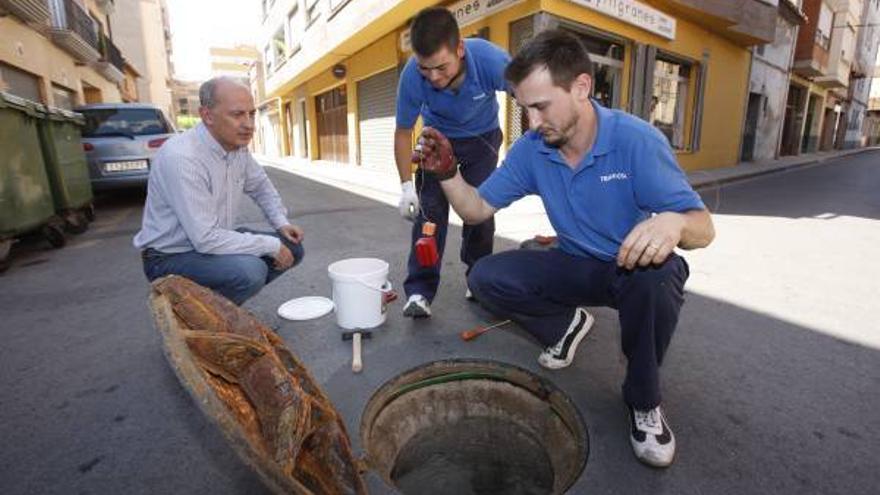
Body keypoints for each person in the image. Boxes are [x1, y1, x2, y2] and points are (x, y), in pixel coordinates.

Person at [413, 30, 715, 467]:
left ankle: (643, 400)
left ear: (580, 88)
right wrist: (448, 173)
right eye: (524, 109)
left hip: (628, 269)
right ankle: (565, 325)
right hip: (573, 263)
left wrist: (675, 221)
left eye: (540, 106)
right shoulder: (533, 149)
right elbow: (476, 209)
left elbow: (703, 228)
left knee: (659, 274)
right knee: (483, 277)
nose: (533, 123)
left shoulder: (636, 141)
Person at [134, 76, 304, 305]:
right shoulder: (183, 157)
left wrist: (281, 222)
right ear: (207, 115)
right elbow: (206, 239)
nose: (249, 124)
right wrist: (270, 245)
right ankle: (196, 321)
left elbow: (261, 186)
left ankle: (220, 310)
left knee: (293, 248)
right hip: (170, 256)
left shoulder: (237, 148)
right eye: (237, 114)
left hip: (212, 241)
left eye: (251, 113)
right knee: (249, 271)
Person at [395, 7, 511, 318]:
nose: (433, 77)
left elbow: (528, 93)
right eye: (425, 69)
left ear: (459, 49)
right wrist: (407, 186)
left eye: (441, 67)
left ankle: (478, 278)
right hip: (435, 140)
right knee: (429, 216)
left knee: (480, 214)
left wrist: (533, 145)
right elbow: (404, 132)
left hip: (482, 139)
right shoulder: (411, 75)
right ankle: (420, 290)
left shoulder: (489, 60)